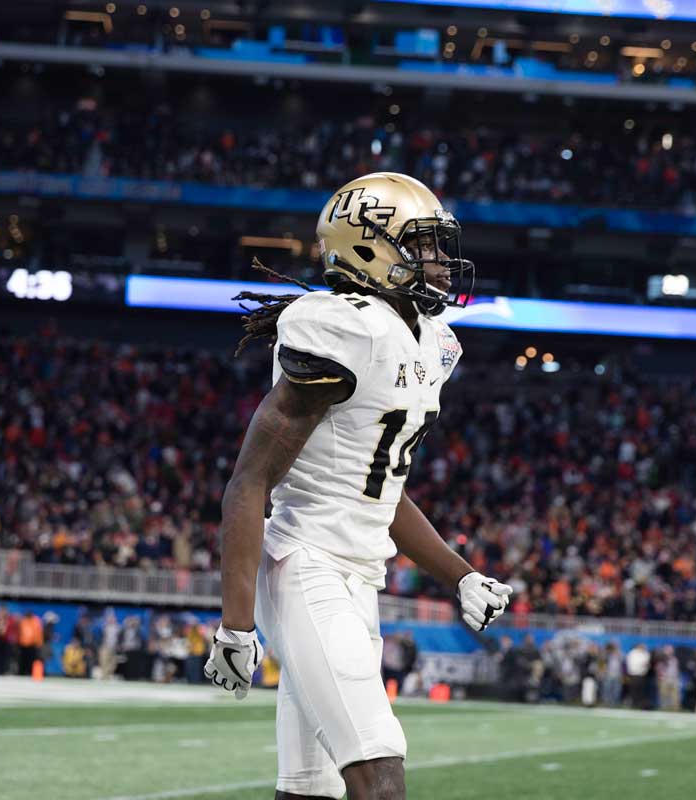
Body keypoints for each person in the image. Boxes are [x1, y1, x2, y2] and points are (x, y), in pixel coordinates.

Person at [205, 173, 512, 800]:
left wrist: (459, 575)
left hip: (357, 577)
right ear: (371, 248)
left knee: (307, 791)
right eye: (424, 245)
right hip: (306, 564)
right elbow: (250, 482)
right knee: (378, 772)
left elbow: (380, 487)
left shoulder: (431, 340)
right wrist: (236, 626)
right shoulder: (344, 327)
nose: (443, 261)